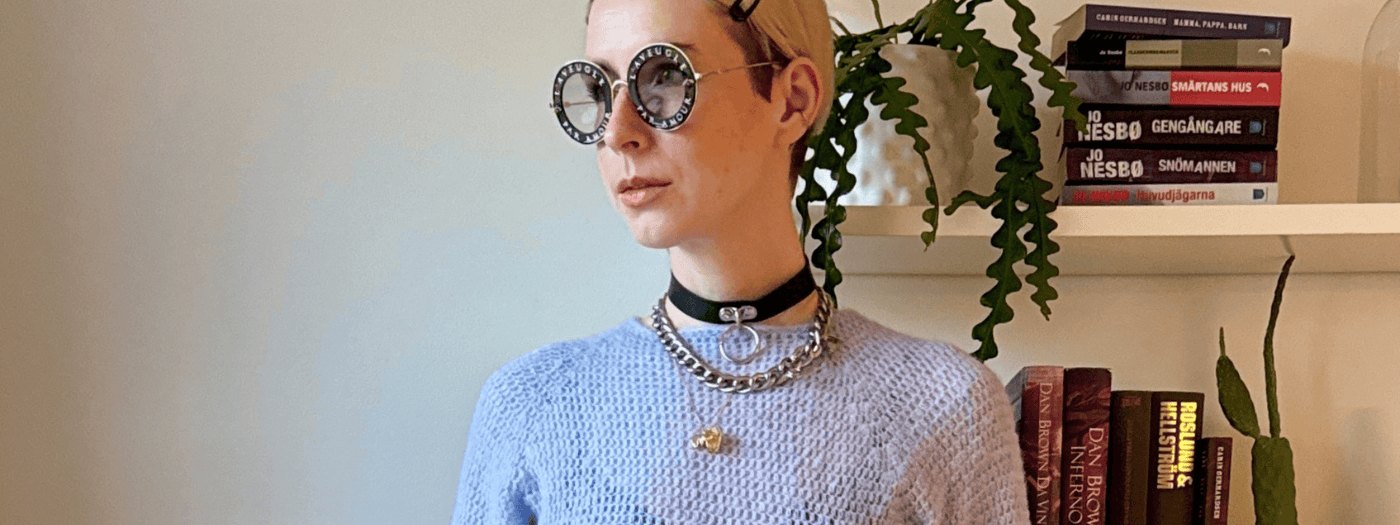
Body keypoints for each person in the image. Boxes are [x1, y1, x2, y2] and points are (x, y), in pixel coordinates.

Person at [451, 0, 1030, 522]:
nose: (618, 131)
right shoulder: (532, 405)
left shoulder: (944, 406)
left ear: (792, 100)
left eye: (665, 77)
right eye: (600, 90)